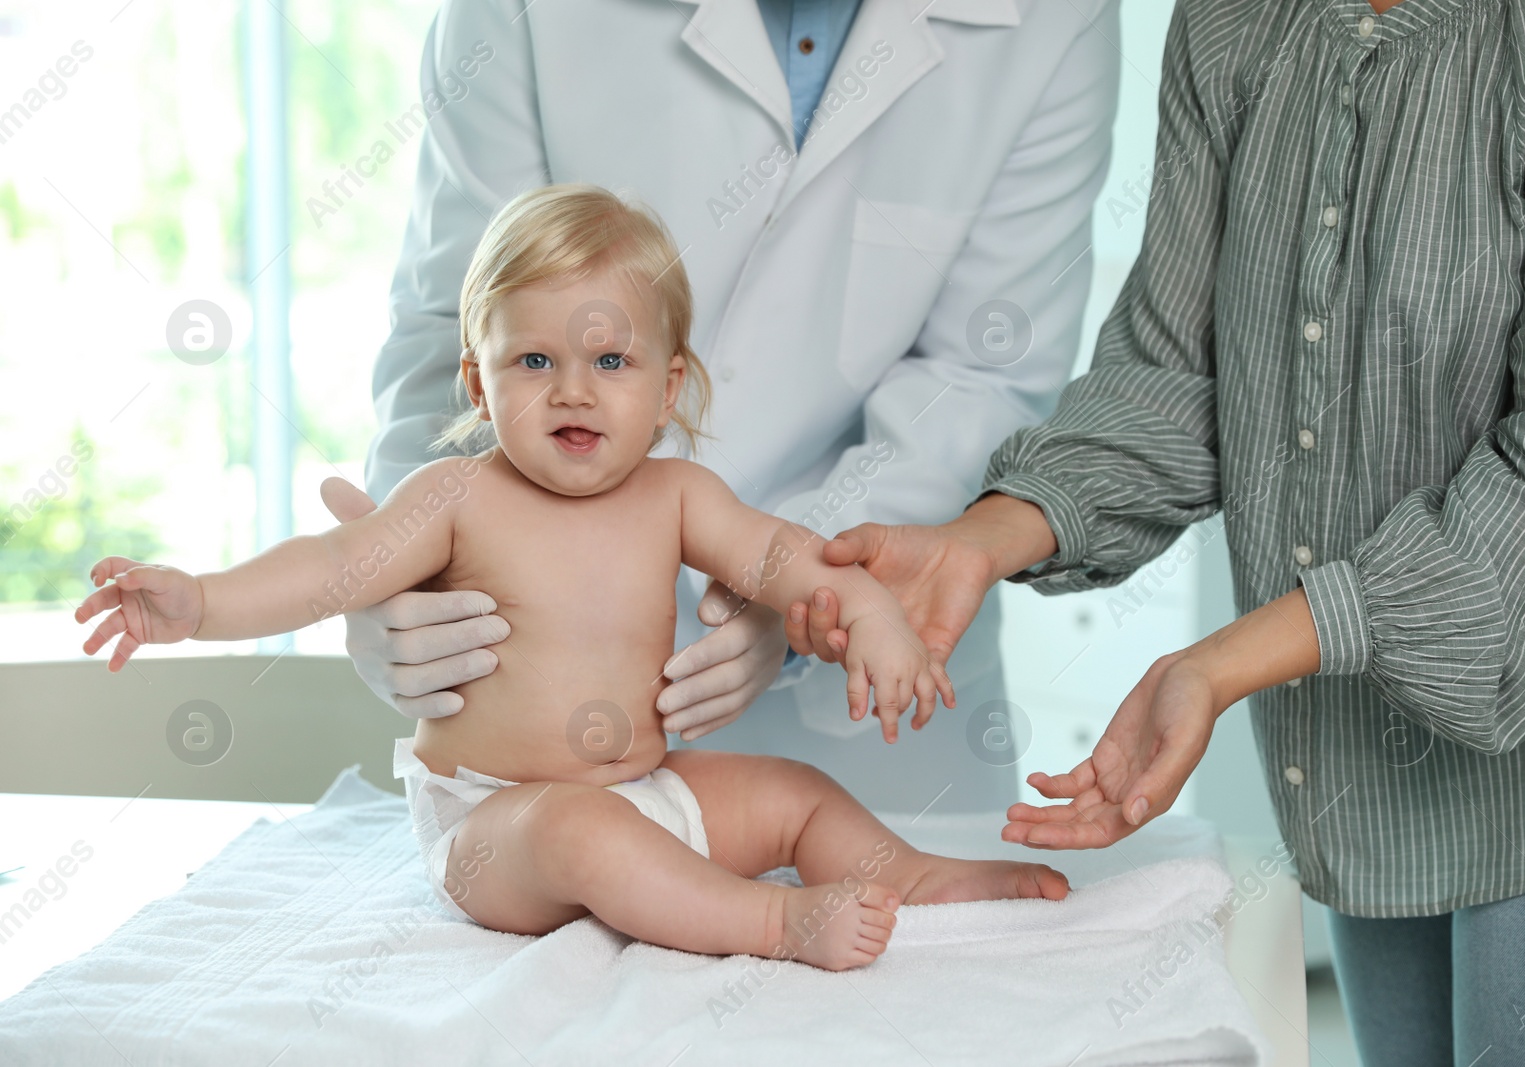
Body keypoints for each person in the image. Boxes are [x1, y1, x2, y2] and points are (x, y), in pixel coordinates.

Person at [786, 0, 1525, 1061]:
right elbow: (1179, 377)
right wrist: (980, 540)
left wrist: (1218, 663)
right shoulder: (1231, 26)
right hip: (1351, 767)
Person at [74, 185, 1067, 970]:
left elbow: (788, 561)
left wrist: (871, 614)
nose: (574, 388)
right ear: (477, 379)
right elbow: (335, 565)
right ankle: (774, 920)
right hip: (500, 827)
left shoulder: (680, 493)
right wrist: (199, 601)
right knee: (582, 826)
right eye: (535, 358)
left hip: (646, 789)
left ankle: (914, 873)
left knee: (795, 791)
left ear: (669, 385)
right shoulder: (456, 493)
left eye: (611, 359)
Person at [318, 0, 1122, 814]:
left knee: (895, 898)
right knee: (559, 884)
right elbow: (458, 315)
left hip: (872, 717)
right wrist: (403, 570)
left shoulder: (1054, 17)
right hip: (527, 703)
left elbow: (979, 375)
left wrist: (799, 591)